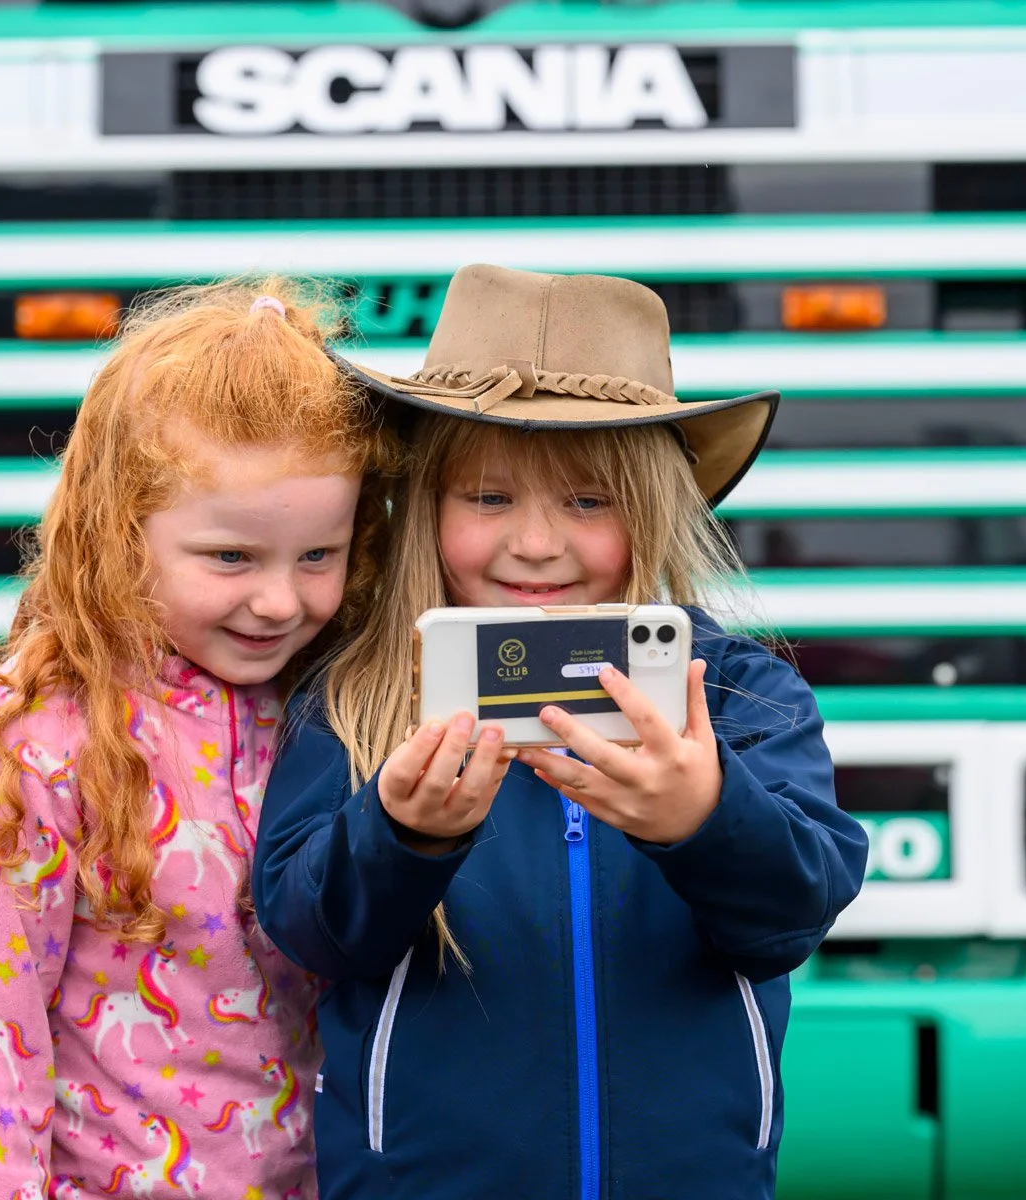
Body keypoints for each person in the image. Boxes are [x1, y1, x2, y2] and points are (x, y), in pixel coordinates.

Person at [253, 265, 869, 1200]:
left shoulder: (740, 695)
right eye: (489, 498)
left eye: (588, 501)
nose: (537, 544)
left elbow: (796, 912)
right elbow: (307, 932)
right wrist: (402, 834)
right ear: (425, 505)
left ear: (655, 510)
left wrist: (702, 816)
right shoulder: (357, 694)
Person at [0, 279, 393, 1200]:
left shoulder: (344, 707)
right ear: (121, 533)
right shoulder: (40, 736)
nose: (280, 601)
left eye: (318, 557)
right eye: (231, 558)